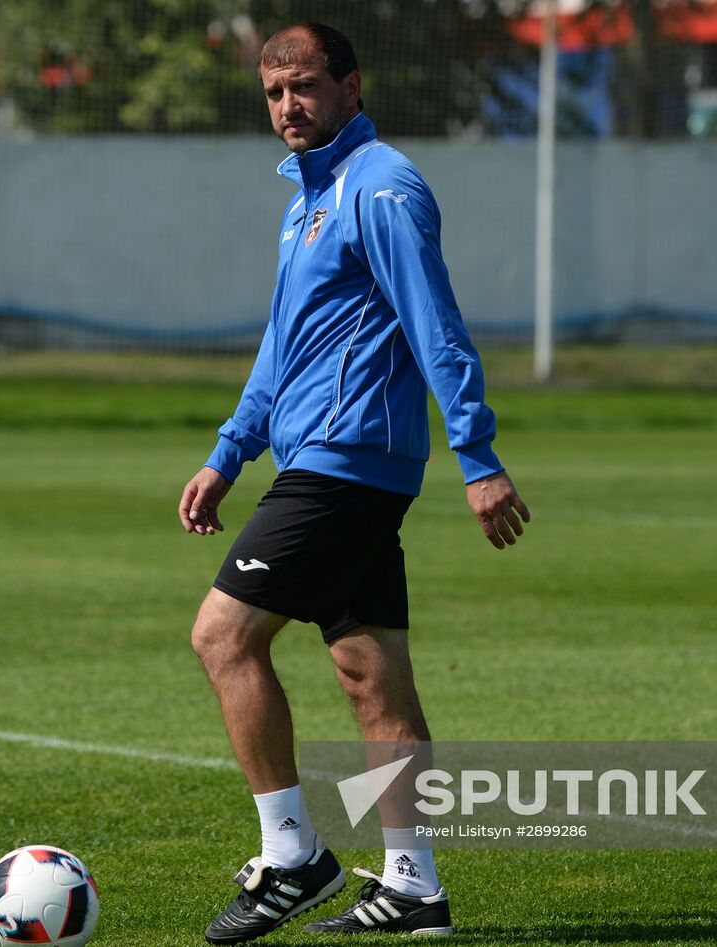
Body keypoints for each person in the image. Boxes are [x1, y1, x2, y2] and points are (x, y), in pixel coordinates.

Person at [178, 22, 529, 943]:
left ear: (350, 86)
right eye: (273, 94)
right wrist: (230, 449)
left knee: (221, 637)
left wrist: (479, 457)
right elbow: (284, 343)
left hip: (346, 461)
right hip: (328, 462)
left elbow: (435, 323)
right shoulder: (308, 201)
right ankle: (414, 884)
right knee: (370, 674)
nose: (288, 107)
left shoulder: (383, 188)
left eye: (303, 87)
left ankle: (293, 854)